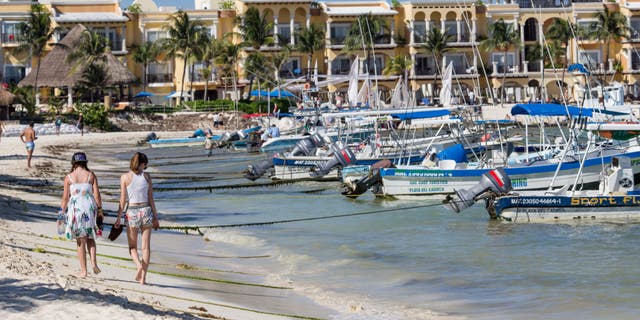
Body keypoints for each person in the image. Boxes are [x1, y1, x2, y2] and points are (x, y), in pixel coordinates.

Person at [115, 152, 159, 285]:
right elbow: (151, 199)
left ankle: (139, 266)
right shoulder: (147, 177)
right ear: (142, 163)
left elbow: (122, 200)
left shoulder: (125, 177)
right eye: (145, 164)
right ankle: (143, 278)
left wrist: (118, 217)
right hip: (146, 210)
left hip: (132, 211)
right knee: (146, 247)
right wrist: (156, 217)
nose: (146, 167)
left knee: (132, 247)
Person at [60, 152, 103, 278]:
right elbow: (97, 195)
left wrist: (61, 213)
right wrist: (100, 210)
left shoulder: (69, 177)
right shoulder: (91, 175)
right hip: (89, 208)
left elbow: (65, 198)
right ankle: (94, 263)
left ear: (73, 163)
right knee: (91, 237)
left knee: (80, 240)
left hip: (76, 210)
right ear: (85, 162)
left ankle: (84, 271)